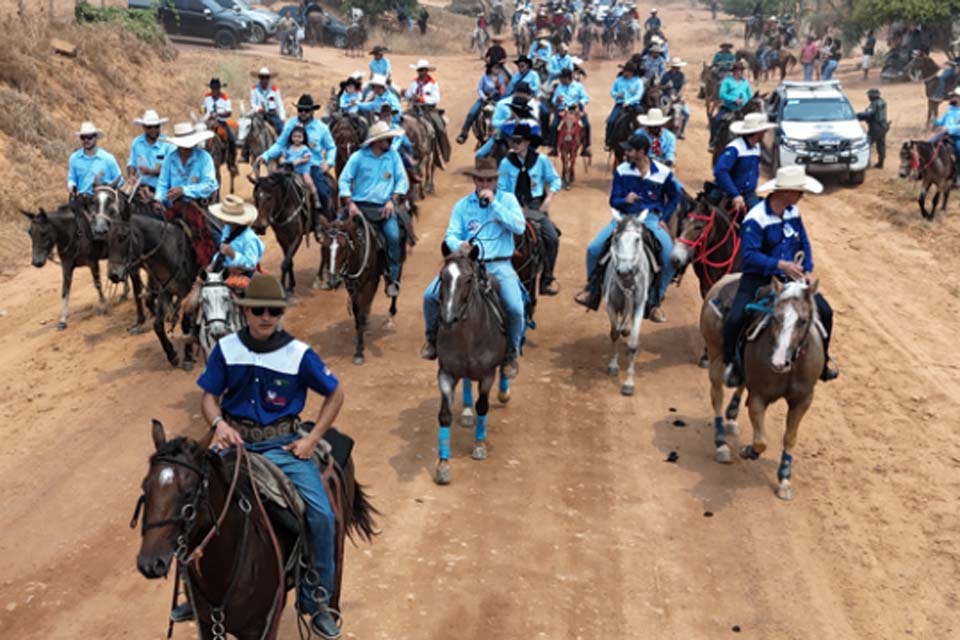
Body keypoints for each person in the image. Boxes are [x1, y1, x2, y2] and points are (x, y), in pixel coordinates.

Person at [197, 272, 344, 640]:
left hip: (282, 448)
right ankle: (193, 594)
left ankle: (317, 602)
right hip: (233, 442)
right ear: (245, 312)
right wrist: (217, 424)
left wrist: (311, 440)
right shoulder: (226, 348)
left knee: (323, 515)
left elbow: (336, 394)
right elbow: (209, 396)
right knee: (189, 501)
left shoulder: (299, 354)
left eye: (274, 311)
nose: (266, 317)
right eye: (259, 310)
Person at [721, 165, 838, 387]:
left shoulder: (793, 211)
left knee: (825, 311)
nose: (802, 195)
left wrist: (808, 269)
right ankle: (733, 365)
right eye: (798, 190)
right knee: (735, 317)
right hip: (759, 278)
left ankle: (822, 364)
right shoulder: (755, 219)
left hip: (792, 278)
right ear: (784, 192)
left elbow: (803, 242)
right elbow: (750, 255)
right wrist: (779, 264)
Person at [420, 156, 526, 379]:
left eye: (489, 181)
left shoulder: (507, 200)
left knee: (515, 308)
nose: (484, 185)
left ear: (496, 181)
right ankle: (431, 340)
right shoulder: (462, 205)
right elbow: (450, 234)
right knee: (430, 296)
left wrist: (495, 205)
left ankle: (511, 353)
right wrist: (459, 245)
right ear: (475, 180)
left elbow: (519, 227)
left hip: (499, 264)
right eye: (480, 180)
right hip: (468, 265)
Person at [574, 133, 678, 320]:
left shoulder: (663, 172)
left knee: (670, 257)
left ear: (641, 152)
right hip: (623, 218)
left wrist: (665, 217)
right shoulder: (622, 170)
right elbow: (613, 200)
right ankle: (592, 290)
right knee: (593, 249)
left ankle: (655, 300)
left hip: (651, 220)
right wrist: (625, 200)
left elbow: (675, 196)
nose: (626, 152)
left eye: (630, 149)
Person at [337, 121, 410, 297]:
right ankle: (336, 270)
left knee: (393, 237)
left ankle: (392, 278)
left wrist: (393, 200)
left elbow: (402, 180)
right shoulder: (358, 157)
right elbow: (344, 179)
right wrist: (350, 202)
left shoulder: (393, 156)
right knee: (335, 235)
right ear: (377, 142)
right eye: (387, 139)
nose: (390, 141)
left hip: (383, 209)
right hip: (359, 207)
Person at [258, 94, 336, 237]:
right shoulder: (290, 124)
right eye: (300, 110)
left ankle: (322, 222)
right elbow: (280, 144)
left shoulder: (322, 128)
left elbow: (331, 148)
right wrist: (265, 155)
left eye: (306, 110)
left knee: (324, 192)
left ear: (312, 111)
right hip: (289, 165)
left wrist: (328, 162)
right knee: (267, 187)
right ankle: (264, 220)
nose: (303, 113)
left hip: (311, 165)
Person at [497, 122, 562, 295]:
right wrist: (514, 205)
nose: (514, 145)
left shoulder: (541, 160)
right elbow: (501, 188)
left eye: (518, 141)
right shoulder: (506, 163)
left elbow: (555, 180)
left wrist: (548, 198)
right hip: (512, 206)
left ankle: (546, 278)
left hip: (535, 206)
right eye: (513, 141)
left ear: (527, 142)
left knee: (552, 238)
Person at [155, 122, 219, 267]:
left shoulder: (204, 158)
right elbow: (163, 183)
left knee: (216, 236)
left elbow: (210, 185)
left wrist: (184, 190)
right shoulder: (170, 159)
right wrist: (158, 199)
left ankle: (215, 268)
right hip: (173, 206)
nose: (185, 147)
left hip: (199, 206)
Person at [712, 112, 775, 216]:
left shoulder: (757, 148)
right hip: (728, 193)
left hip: (748, 194)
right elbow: (720, 171)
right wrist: (735, 194)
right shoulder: (735, 148)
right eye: (763, 131)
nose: (765, 133)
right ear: (757, 132)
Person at [67, 121, 123, 199]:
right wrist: (71, 185)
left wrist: (107, 187)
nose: (86, 140)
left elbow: (120, 180)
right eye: (83, 137)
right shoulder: (74, 158)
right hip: (83, 199)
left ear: (96, 138)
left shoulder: (108, 158)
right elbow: (72, 178)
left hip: (103, 199)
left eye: (89, 137)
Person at [457, 63, 508, 145]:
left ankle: (503, 134)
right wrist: (484, 97)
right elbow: (480, 89)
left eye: (499, 68)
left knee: (505, 114)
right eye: (496, 67)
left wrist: (501, 90)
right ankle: (464, 134)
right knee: (472, 112)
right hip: (485, 98)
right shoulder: (484, 77)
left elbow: (503, 90)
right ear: (491, 68)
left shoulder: (500, 77)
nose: (497, 69)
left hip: (497, 99)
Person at [127, 111, 172, 196]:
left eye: (156, 127)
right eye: (149, 127)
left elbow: (172, 169)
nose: (153, 130)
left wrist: (151, 172)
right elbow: (132, 163)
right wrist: (131, 175)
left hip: (162, 189)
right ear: (144, 127)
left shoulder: (167, 143)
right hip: (140, 187)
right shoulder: (137, 142)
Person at [550, 67, 591, 157]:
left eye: (562, 78)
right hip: (562, 110)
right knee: (553, 126)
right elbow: (553, 100)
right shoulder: (559, 87)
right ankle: (553, 147)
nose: (560, 80)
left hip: (576, 110)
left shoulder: (578, 86)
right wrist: (557, 100)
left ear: (568, 78)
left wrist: (579, 103)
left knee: (586, 125)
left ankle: (586, 147)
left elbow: (586, 98)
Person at [710, 60, 752, 149]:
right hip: (728, 108)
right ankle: (713, 142)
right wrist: (734, 100)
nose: (740, 72)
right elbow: (722, 94)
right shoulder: (727, 81)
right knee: (716, 121)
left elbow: (750, 96)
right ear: (733, 71)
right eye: (738, 70)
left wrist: (747, 102)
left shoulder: (745, 83)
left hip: (742, 109)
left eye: (741, 70)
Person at [281, 124, 321, 210]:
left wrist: (299, 161)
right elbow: (283, 156)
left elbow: (307, 158)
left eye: (299, 137)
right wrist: (283, 160)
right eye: (294, 136)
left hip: (303, 169)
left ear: (303, 138)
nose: (296, 139)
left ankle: (316, 197)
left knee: (308, 181)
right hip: (290, 169)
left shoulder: (304, 148)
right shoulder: (289, 148)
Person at [202, 78, 238, 176]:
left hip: (221, 122)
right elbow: (205, 110)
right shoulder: (207, 97)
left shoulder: (225, 97)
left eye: (216, 88)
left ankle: (232, 163)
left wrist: (218, 114)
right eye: (212, 88)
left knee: (231, 138)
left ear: (219, 88)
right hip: (208, 122)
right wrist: (206, 116)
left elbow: (229, 112)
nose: (214, 90)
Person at [605, 62, 644, 149]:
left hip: (634, 105)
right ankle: (609, 141)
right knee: (611, 121)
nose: (624, 73)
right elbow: (612, 91)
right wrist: (617, 95)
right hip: (620, 104)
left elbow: (638, 95)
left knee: (643, 121)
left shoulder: (638, 81)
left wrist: (629, 101)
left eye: (626, 71)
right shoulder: (619, 80)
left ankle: (645, 140)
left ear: (631, 72)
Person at [932, 88, 960, 180]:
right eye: (952, 96)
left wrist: (948, 128)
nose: (952, 98)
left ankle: (957, 175)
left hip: (957, 136)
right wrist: (935, 121)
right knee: (928, 145)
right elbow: (942, 121)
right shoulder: (949, 110)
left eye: (955, 96)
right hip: (944, 134)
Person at [857, 88, 888, 169]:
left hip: (875, 128)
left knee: (866, 144)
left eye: (869, 96)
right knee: (881, 145)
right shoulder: (882, 102)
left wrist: (857, 116)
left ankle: (867, 163)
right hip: (883, 127)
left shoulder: (874, 104)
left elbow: (868, 114)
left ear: (873, 96)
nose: (868, 97)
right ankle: (881, 163)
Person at [249, 67, 286, 134]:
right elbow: (252, 103)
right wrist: (258, 109)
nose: (264, 80)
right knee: (246, 127)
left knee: (282, 130)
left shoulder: (274, 89)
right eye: (262, 77)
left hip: (271, 114)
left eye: (266, 77)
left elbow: (279, 105)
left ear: (269, 79)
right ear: (259, 78)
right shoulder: (254, 89)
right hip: (258, 114)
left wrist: (282, 118)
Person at [659, 57, 689, 138]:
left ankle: (681, 131)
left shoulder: (681, 75)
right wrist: (666, 86)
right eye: (675, 67)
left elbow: (683, 87)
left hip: (677, 97)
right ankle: (659, 129)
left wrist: (679, 96)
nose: (677, 69)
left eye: (678, 67)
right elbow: (660, 87)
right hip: (666, 96)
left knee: (686, 113)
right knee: (663, 111)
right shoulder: (665, 75)